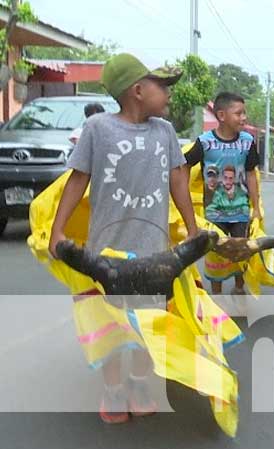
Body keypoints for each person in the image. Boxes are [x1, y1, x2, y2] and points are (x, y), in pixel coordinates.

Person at [48, 53, 198, 423]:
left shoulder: (164, 132)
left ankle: (139, 382)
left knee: (150, 322)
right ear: (137, 90)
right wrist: (58, 229)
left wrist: (193, 229)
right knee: (113, 324)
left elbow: (178, 178)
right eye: (161, 86)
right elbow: (78, 178)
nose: (167, 94)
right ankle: (114, 390)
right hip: (107, 250)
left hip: (153, 250)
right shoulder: (98, 128)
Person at [185, 92, 260, 295]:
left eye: (244, 113)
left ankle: (238, 287)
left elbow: (252, 174)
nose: (244, 117)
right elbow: (184, 165)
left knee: (241, 251)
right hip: (213, 214)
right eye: (239, 113)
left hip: (241, 211)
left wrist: (256, 208)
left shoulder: (247, 142)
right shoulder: (204, 142)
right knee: (215, 255)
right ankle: (216, 295)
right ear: (221, 115)